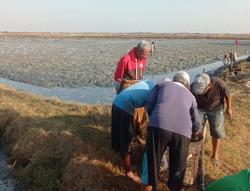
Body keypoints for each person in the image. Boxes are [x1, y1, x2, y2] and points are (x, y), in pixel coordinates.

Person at [141, 71, 201, 191]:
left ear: (174, 80)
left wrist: (155, 118)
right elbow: (196, 122)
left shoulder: (162, 85)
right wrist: (195, 132)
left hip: (159, 126)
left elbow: (149, 106)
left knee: (152, 162)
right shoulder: (191, 96)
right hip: (182, 133)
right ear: (188, 85)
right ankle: (174, 187)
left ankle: (150, 186)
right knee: (178, 168)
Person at [111, 80, 155, 183]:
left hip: (117, 102)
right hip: (124, 107)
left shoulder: (150, 83)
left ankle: (119, 152)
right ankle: (128, 173)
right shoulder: (154, 94)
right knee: (126, 139)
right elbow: (151, 116)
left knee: (119, 133)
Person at [191, 73, 232, 165]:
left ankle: (214, 155)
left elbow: (228, 95)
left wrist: (229, 108)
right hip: (200, 107)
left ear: (209, 85)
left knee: (217, 131)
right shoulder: (194, 86)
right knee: (194, 128)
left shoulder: (219, 83)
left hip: (216, 108)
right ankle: (194, 149)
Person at [114, 40, 151, 141]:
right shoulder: (125, 59)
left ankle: (142, 133)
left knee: (142, 110)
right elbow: (118, 78)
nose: (145, 56)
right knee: (130, 112)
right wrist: (119, 93)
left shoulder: (144, 58)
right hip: (127, 85)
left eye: (147, 54)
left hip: (138, 84)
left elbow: (141, 74)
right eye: (144, 54)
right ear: (138, 50)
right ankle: (130, 135)